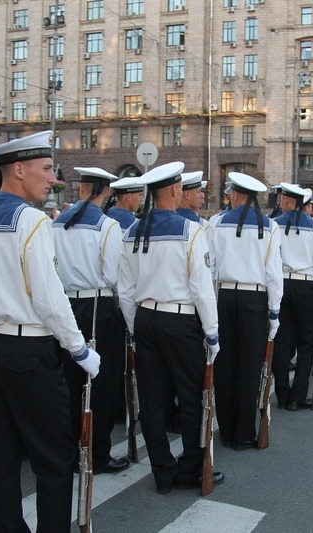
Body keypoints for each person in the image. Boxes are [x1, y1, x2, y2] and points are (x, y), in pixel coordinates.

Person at [0, 131, 100, 532]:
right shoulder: (31, 220)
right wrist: (80, 350)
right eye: (47, 168)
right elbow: (50, 298)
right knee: (52, 457)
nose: (52, 178)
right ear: (18, 170)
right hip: (28, 351)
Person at [117, 161, 223, 494]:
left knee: (152, 400)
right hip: (180, 321)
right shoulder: (190, 230)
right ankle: (191, 469)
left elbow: (124, 290)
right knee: (192, 397)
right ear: (176, 190)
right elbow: (201, 288)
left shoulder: (132, 231)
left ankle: (163, 472)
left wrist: (137, 327)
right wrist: (212, 333)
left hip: (145, 318)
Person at [52, 167, 131, 475]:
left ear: (82, 188)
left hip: (66, 304)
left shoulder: (57, 223)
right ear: (107, 191)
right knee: (101, 384)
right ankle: (96, 453)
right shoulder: (107, 225)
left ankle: (70, 449)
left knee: (68, 383)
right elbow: (115, 276)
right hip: (98, 308)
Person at [209, 171, 282, 449]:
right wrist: (274, 311)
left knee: (225, 365)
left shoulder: (217, 223)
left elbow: (212, 269)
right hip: (255, 300)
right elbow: (274, 273)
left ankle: (226, 429)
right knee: (250, 367)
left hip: (225, 297)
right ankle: (243, 433)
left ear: (237, 196)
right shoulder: (270, 226)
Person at [272, 182, 313, 409]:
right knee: (306, 343)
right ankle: (297, 397)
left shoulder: (274, 225)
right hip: (306, 286)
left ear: (288, 201)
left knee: (282, 342)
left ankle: (282, 394)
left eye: (283, 199)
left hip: (281, 285)